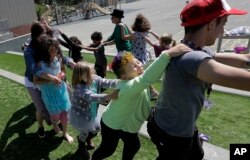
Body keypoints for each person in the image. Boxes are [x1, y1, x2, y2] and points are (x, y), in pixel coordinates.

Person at [147, 0, 250, 160]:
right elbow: (244, 80)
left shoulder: (193, 49)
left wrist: (246, 60)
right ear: (211, 24)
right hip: (172, 132)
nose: (223, 31)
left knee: (196, 154)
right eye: (223, 24)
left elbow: (243, 59)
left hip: (171, 122)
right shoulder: (192, 58)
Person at [91, 44, 191, 160]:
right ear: (123, 77)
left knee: (133, 146)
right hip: (111, 124)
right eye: (133, 67)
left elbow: (146, 86)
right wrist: (166, 54)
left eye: (137, 62)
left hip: (126, 124)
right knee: (108, 149)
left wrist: (153, 94)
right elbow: (147, 79)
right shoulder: (129, 86)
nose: (139, 66)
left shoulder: (135, 82)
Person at [69, 62, 119, 159]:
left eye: (92, 72)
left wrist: (120, 82)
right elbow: (90, 96)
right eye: (88, 74)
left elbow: (107, 82)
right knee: (85, 131)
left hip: (92, 111)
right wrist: (109, 96)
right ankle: (81, 145)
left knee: (96, 129)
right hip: (82, 115)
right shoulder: (79, 88)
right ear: (79, 77)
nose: (92, 76)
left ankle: (86, 140)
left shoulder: (94, 78)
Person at [33, 38, 73, 143]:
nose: (53, 52)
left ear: (57, 50)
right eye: (50, 50)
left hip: (61, 91)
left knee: (65, 114)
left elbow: (63, 70)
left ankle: (65, 133)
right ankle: (55, 124)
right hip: (49, 94)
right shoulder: (40, 63)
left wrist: (62, 75)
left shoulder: (59, 59)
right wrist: (51, 81)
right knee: (54, 117)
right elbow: (35, 81)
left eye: (55, 49)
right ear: (45, 50)